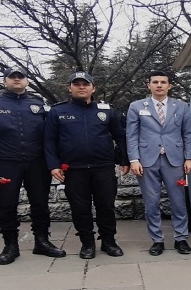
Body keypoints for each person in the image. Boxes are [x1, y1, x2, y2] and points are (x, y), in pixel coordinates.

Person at [0, 67, 65, 265]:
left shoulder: (39, 105)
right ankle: (10, 245)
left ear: (27, 81)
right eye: (12, 77)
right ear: (5, 81)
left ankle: (42, 241)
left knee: (40, 203)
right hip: (5, 162)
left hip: (37, 162)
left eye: (20, 77)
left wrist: (55, 161)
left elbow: (51, 136)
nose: (16, 80)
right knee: (7, 205)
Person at [44, 72, 129, 259]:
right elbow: (49, 141)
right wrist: (53, 165)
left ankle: (109, 241)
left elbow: (120, 136)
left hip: (103, 167)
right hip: (73, 169)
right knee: (80, 208)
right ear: (70, 88)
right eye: (77, 84)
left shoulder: (107, 110)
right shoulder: (58, 111)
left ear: (93, 88)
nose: (81, 87)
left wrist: (124, 159)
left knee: (106, 206)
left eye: (85, 84)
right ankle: (87, 244)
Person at [126, 70, 191, 256]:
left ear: (169, 85)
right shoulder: (137, 106)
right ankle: (157, 240)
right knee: (151, 202)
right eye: (155, 82)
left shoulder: (181, 106)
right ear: (148, 85)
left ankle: (181, 238)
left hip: (175, 159)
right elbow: (131, 135)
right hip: (147, 160)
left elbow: (188, 133)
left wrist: (189, 158)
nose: (159, 85)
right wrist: (134, 159)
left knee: (178, 201)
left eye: (163, 82)